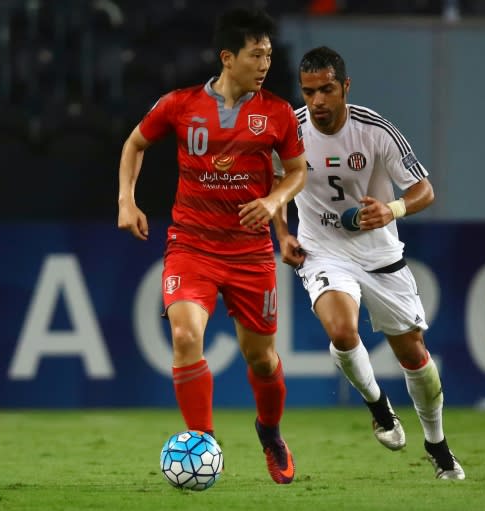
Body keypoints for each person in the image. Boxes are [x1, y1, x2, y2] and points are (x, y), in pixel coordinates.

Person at [117, 8, 307, 485]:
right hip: (192, 245)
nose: (265, 64)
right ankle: (203, 443)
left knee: (261, 357)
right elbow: (135, 144)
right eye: (255, 55)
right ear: (228, 57)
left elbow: (299, 172)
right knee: (184, 337)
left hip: (250, 252)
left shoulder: (279, 113)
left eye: (267, 55)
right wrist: (127, 201)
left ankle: (270, 432)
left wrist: (273, 199)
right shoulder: (180, 105)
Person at [272, 46, 465, 480]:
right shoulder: (292, 130)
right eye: (308, 92)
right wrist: (283, 235)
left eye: (326, 90)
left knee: (415, 356)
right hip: (322, 249)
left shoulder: (375, 131)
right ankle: (379, 408)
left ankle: (436, 443)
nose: (317, 101)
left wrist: (392, 210)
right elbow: (275, 184)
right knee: (341, 330)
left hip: (379, 253)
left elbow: (424, 189)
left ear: (345, 87)